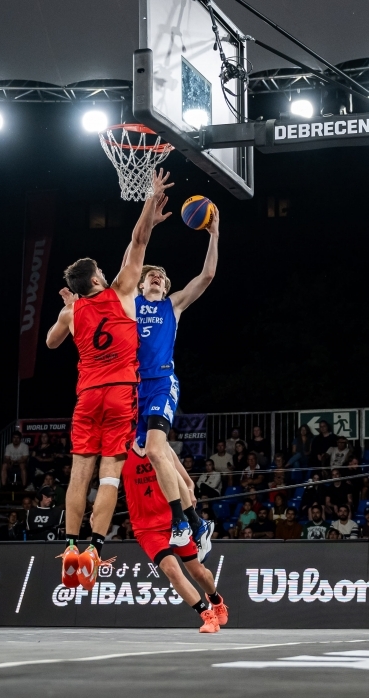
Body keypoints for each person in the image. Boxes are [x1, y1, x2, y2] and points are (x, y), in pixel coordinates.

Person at [46, 168, 173, 588]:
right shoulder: (119, 291)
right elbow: (138, 243)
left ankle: (68, 544)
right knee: (109, 476)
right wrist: (150, 205)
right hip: (121, 393)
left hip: (86, 397)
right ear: (98, 279)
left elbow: (49, 343)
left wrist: (68, 307)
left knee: (78, 473)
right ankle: (94, 549)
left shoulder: (72, 310)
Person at [131, 194, 221, 555]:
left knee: (154, 449)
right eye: (151, 275)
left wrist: (214, 234)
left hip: (162, 383)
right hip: (133, 391)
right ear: (140, 284)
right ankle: (198, 523)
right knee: (156, 454)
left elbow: (208, 275)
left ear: (166, 288)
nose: (156, 278)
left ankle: (181, 522)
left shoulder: (173, 305)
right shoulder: (127, 304)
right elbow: (134, 250)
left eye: (162, 277)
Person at [121, 440, 228, 633]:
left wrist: (189, 495)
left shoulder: (160, 445)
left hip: (174, 523)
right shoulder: (122, 450)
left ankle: (215, 599)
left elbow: (187, 481)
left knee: (199, 573)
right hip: (146, 528)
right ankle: (207, 616)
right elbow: (109, 483)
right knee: (171, 570)